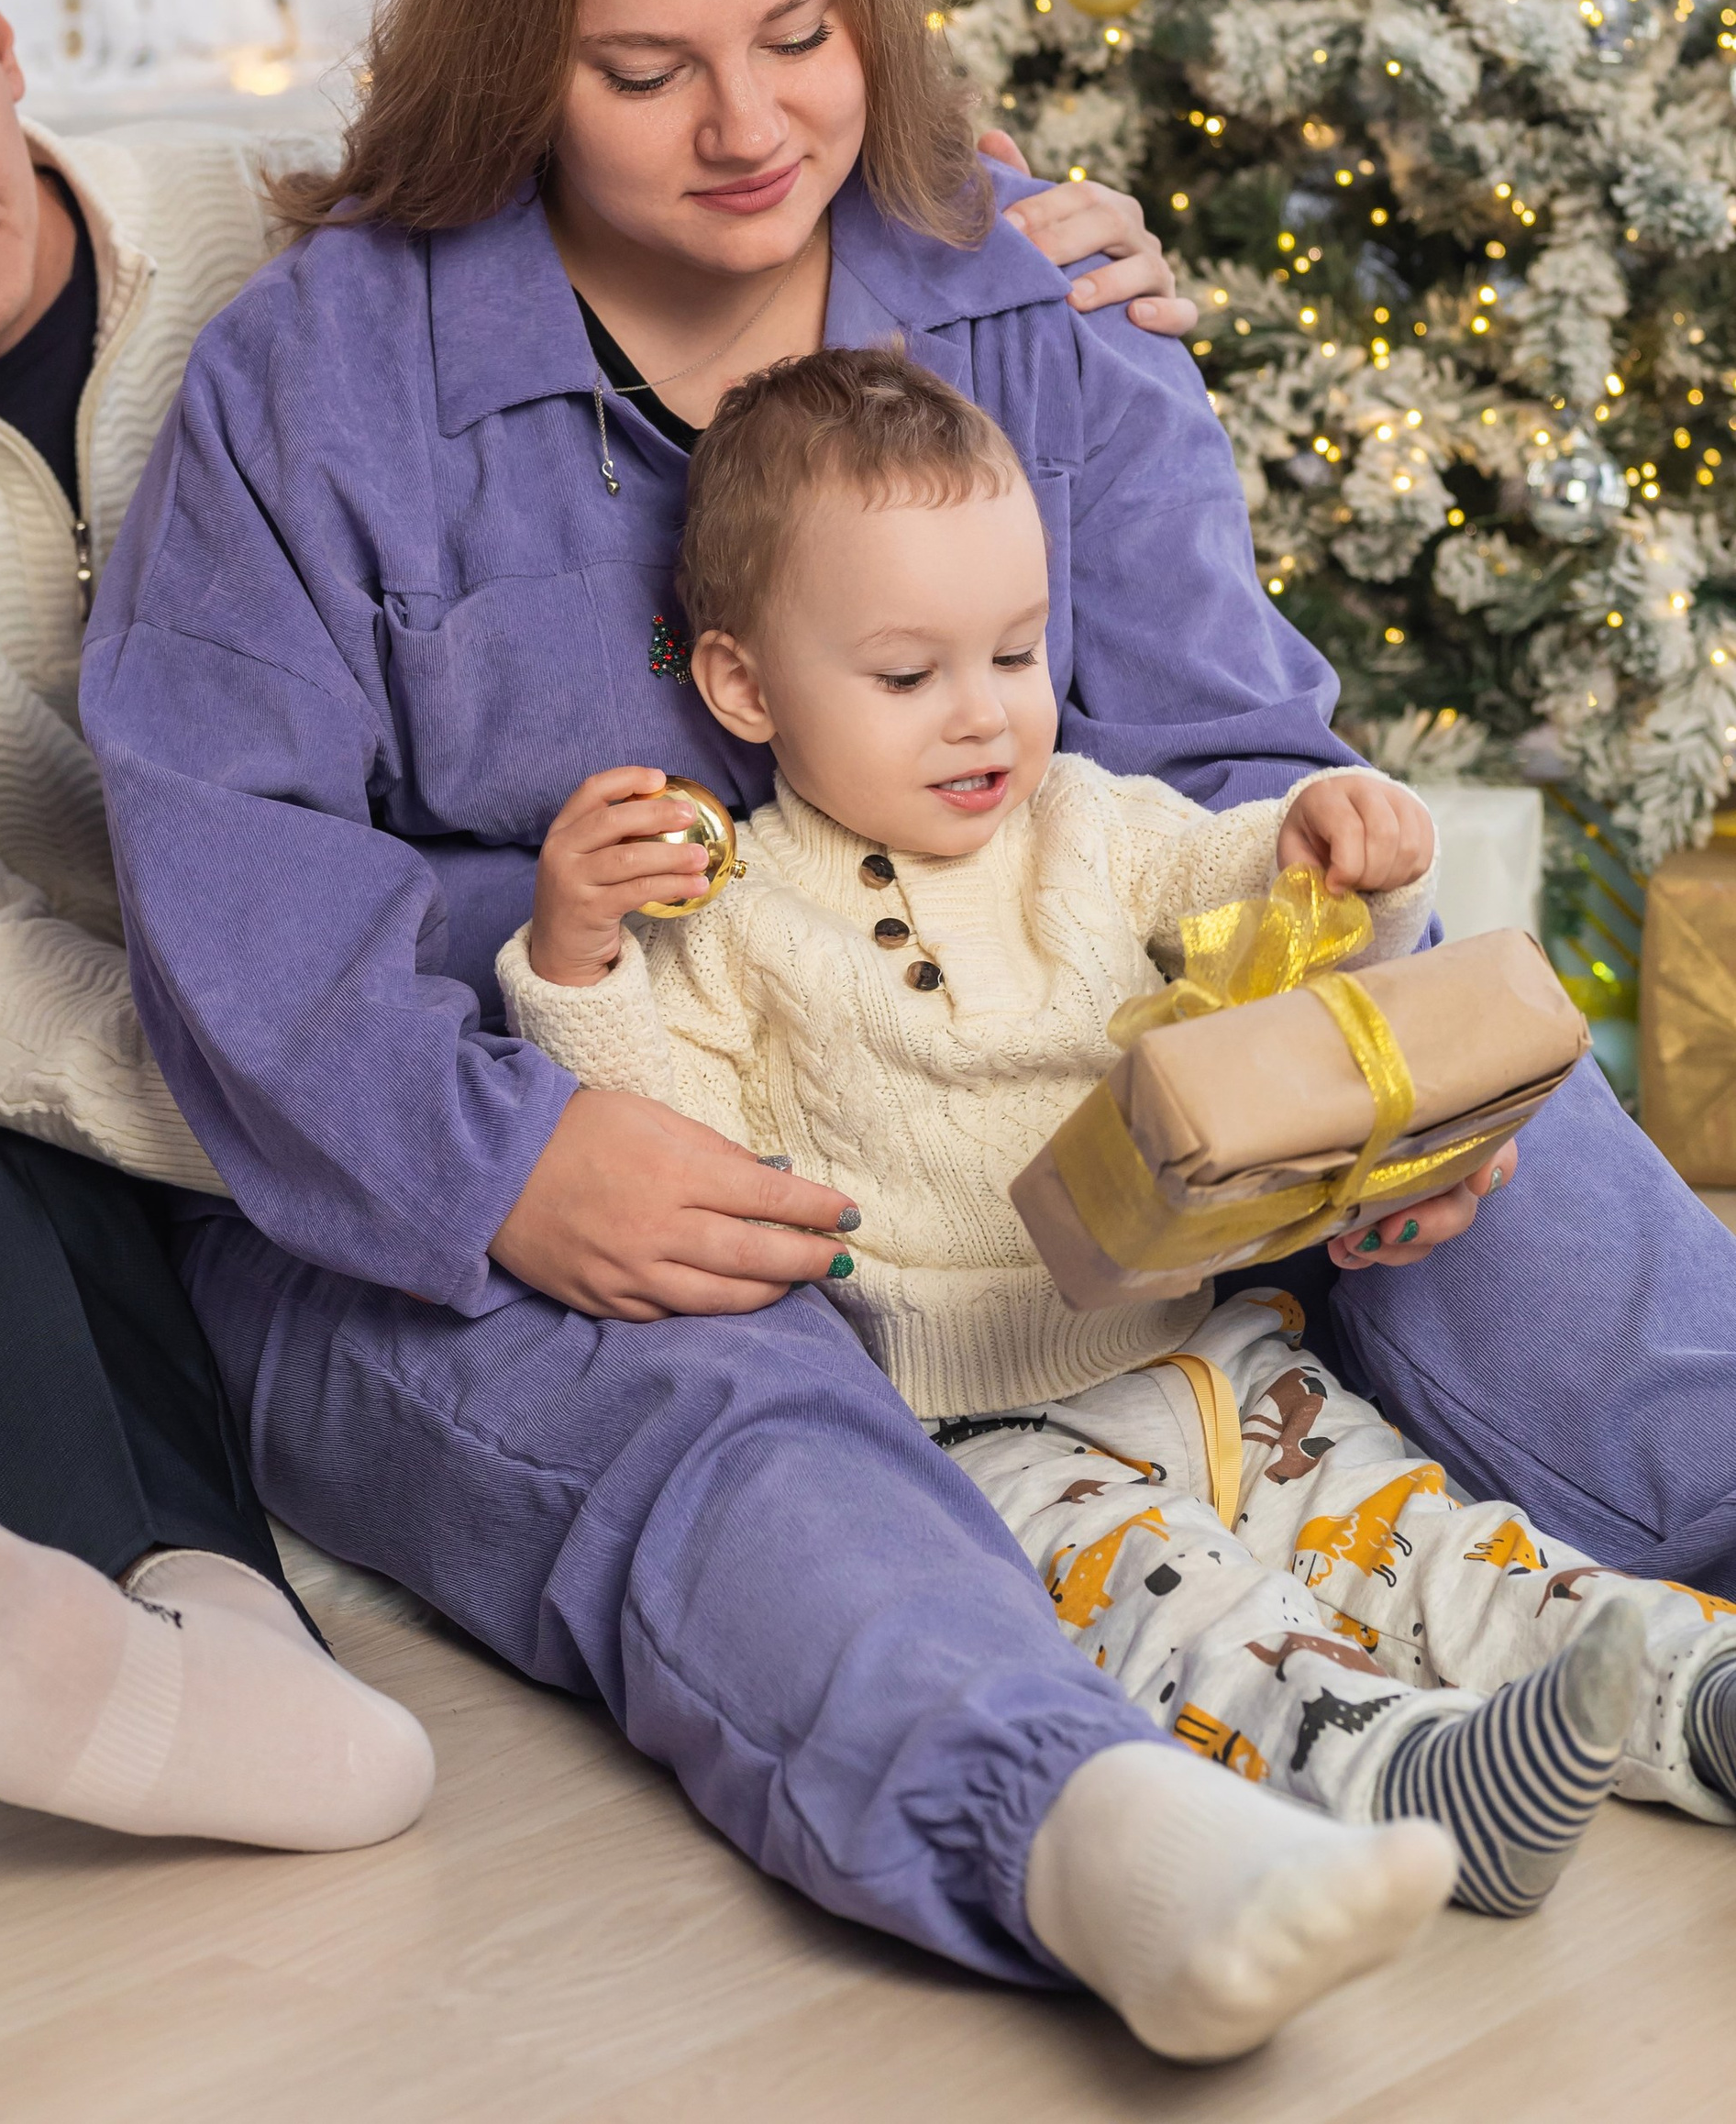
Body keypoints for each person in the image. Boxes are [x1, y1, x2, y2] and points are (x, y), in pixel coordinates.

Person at [80, 0, 1736, 2064]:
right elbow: (221, 873)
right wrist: (514, 1163)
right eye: (645, 69)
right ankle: (1088, 1837)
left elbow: (1220, 745)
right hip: (555, 1139)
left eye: (801, 34)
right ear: (507, 62)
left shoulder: (1031, 288)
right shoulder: (320, 381)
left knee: (1475, 1094)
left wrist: (1337, 1056)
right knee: (719, 1403)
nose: (750, 126)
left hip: (1052, 1091)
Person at [0, 0, 1190, 1850]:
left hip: (514, 940)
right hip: (152, 1054)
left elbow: (679, 133)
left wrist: (1011, 224)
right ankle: (200, 1646)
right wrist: (341, 1112)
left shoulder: (271, 215)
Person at [502, 343, 1736, 1908]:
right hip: (980, 1434)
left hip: (1223, 1357)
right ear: (745, 684)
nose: (984, 716)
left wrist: (1354, 848)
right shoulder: (731, 916)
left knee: (1437, 1542)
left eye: (1018, 651)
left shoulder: (1090, 825)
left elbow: (1277, 913)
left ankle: (1695, 1690)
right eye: (909, 674)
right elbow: (659, 1133)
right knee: (1203, 1631)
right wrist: (575, 953)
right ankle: (1413, 1780)